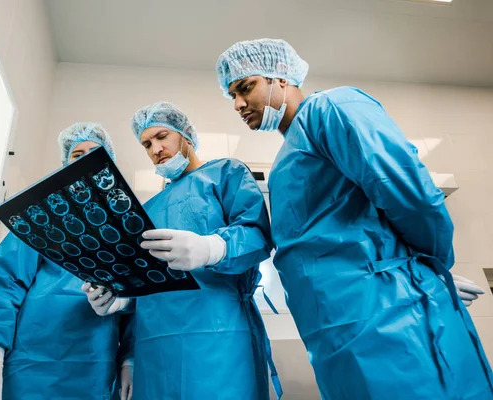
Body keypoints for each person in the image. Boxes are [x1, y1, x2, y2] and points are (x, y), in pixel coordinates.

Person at [215, 38, 493, 399]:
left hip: (391, 321)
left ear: (281, 77)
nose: (238, 104)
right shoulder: (287, 160)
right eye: (231, 96)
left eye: (245, 87)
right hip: (334, 332)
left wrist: (430, 269)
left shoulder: (330, 109)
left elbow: (406, 189)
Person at [83, 102, 282, 400]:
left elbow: (257, 235)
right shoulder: (146, 210)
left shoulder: (224, 173)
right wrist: (121, 301)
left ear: (185, 135)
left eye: (162, 136)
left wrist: (211, 248)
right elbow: (143, 277)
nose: (155, 149)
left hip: (217, 334)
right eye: (147, 144)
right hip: (154, 346)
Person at [0, 122, 134, 400]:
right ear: (65, 163)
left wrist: (129, 361)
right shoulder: (40, 215)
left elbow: (136, 301)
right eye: (77, 155)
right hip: (30, 363)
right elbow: (7, 288)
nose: (85, 161)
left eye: (95, 154)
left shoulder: (123, 223)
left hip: (94, 365)